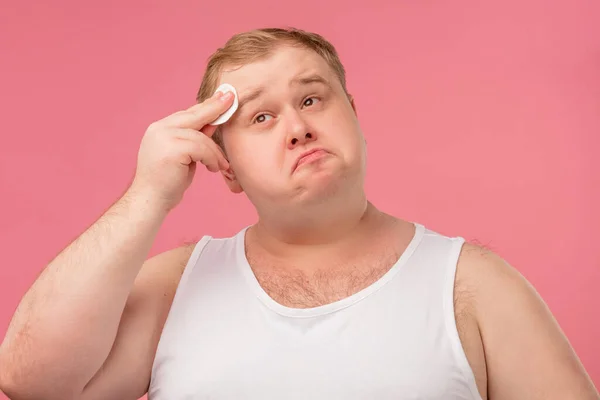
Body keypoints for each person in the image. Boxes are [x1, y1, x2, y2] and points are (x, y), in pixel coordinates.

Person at [0, 27, 597, 400]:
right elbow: (31, 383)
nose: (298, 126)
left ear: (353, 114)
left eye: (312, 98)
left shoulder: (474, 285)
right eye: (260, 117)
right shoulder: (180, 285)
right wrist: (146, 196)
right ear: (226, 167)